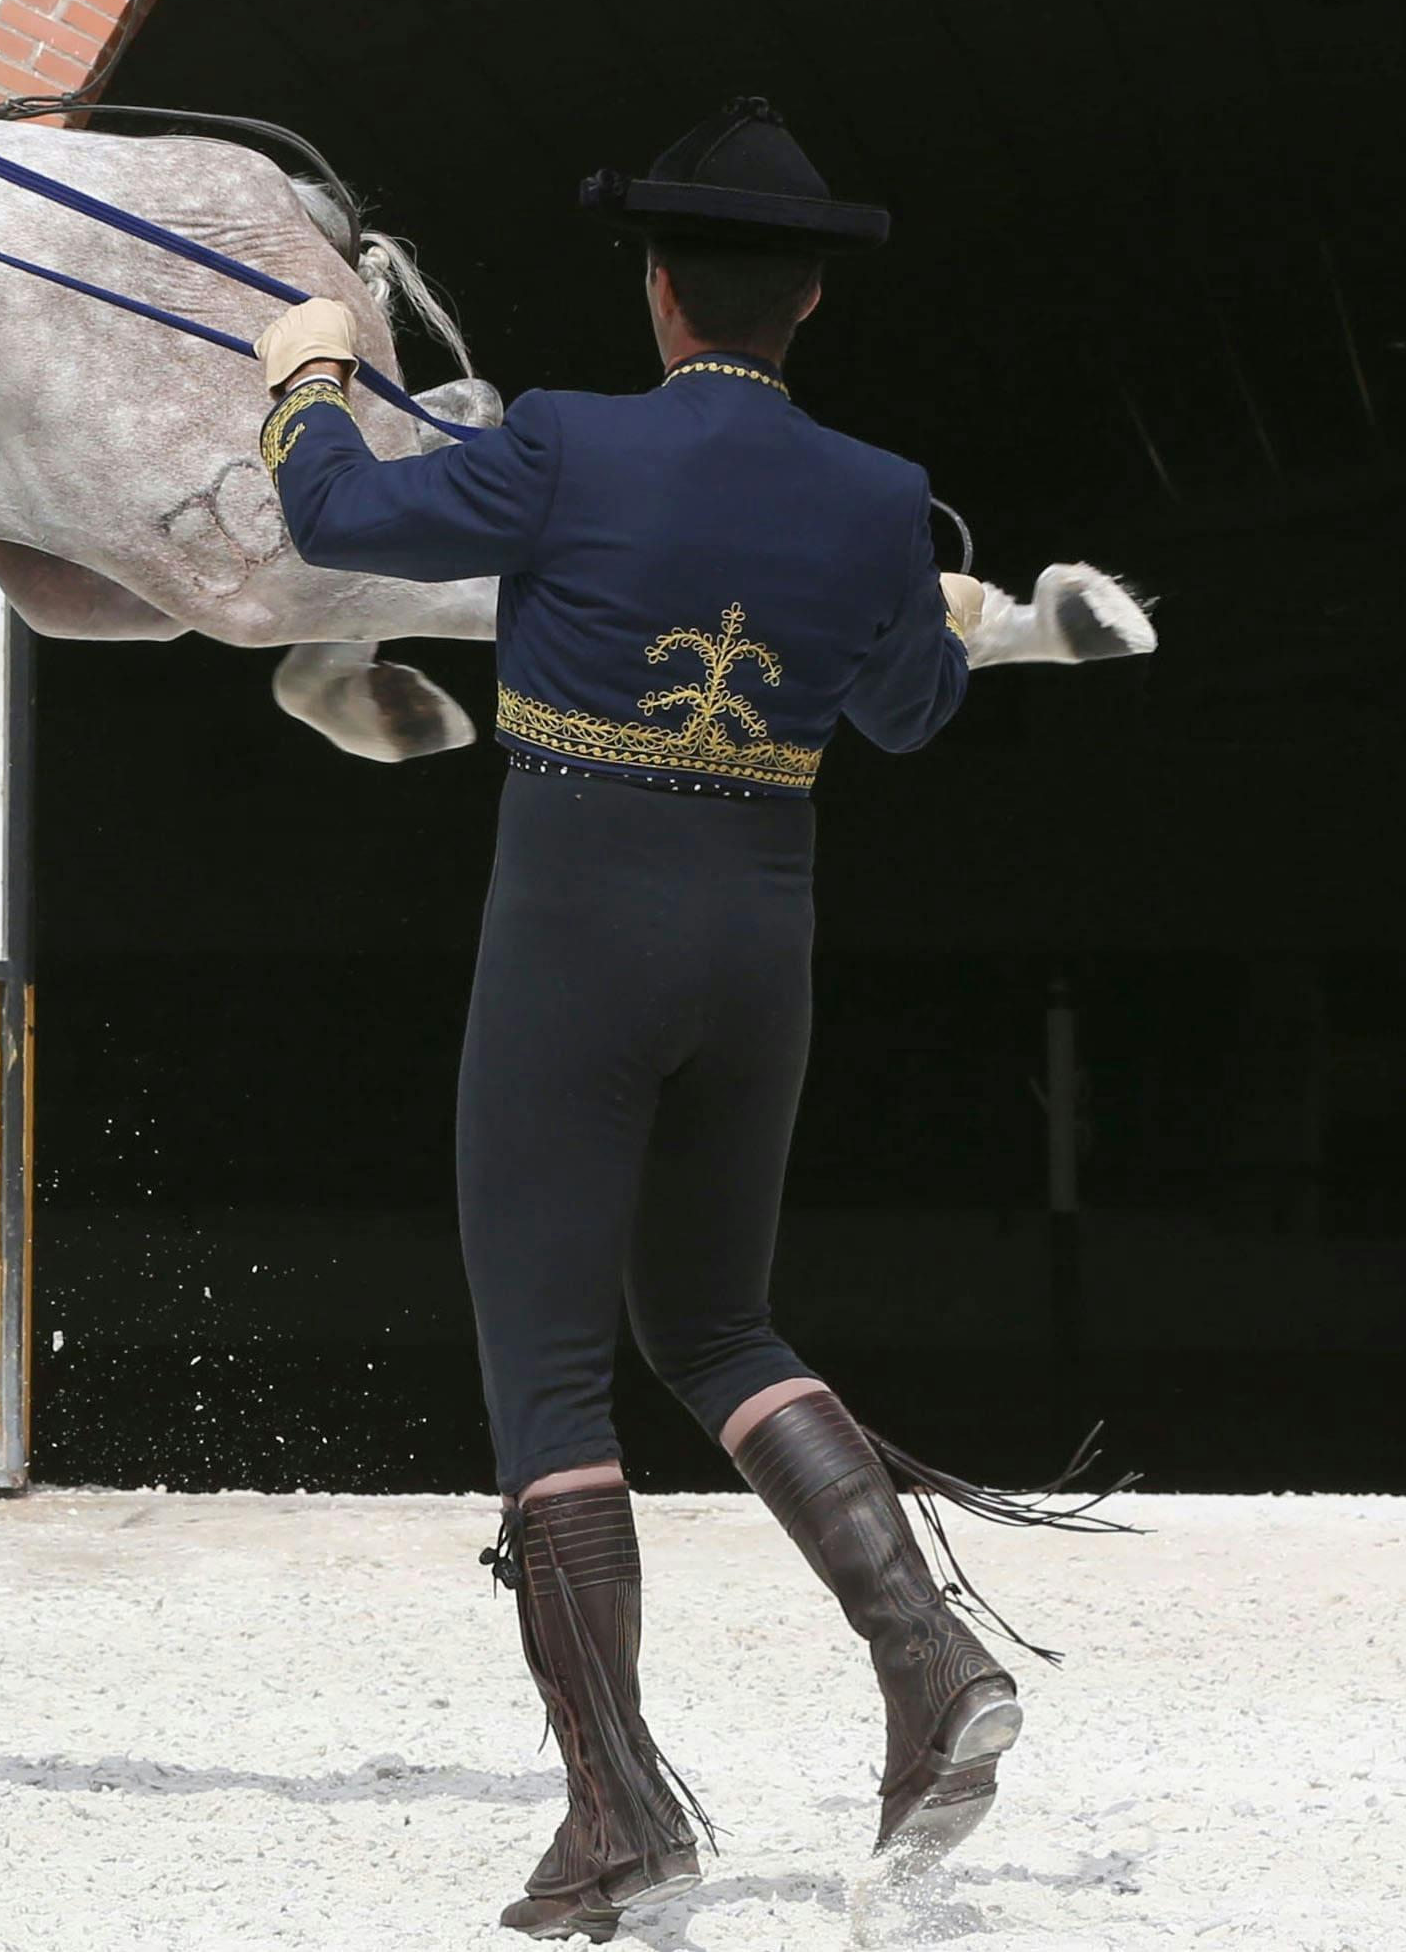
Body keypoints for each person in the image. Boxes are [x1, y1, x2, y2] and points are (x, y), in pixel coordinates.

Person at [249, 95, 1109, 1940]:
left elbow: (331, 514)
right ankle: (929, 1661)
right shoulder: (879, 496)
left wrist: (309, 370)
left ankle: (619, 1811)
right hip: (759, 943)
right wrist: (926, 607)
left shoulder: (561, 444)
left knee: (553, 1368)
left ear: (657, 290)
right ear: (805, 300)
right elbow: (903, 718)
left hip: (572, 942)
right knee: (715, 1322)